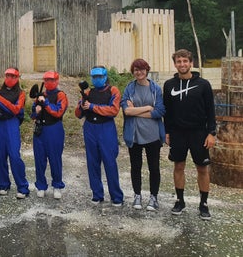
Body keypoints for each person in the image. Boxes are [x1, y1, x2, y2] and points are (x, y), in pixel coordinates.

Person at [163, 49, 216, 220]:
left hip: (199, 133)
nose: (182, 64)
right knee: (178, 166)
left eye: (185, 61)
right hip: (178, 133)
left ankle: (204, 204)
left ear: (191, 63)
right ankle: (180, 201)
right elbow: (167, 112)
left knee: (202, 168)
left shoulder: (203, 84)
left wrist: (211, 133)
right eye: (179, 61)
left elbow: (211, 111)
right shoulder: (169, 85)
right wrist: (167, 132)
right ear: (175, 64)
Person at [121, 59, 166, 211]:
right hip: (134, 134)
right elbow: (127, 111)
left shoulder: (155, 89)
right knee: (136, 166)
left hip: (153, 134)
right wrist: (147, 107)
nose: (139, 72)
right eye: (136, 70)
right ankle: (137, 195)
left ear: (147, 70)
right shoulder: (129, 88)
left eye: (141, 69)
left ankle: (154, 197)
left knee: (154, 167)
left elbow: (160, 111)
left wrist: (136, 111)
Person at [75, 65, 124, 206]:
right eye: (94, 77)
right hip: (90, 128)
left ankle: (116, 196)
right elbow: (78, 114)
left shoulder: (113, 90)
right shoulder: (88, 92)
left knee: (110, 162)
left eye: (99, 76)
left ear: (105, 77)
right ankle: (97, 194)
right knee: (92, 162)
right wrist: (81, 104)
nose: (97, 79)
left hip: (106, 128)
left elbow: (113, 110)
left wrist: (92, 107)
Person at [0, 67, 30, 199]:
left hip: (11, 124)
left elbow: (16, 110)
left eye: (13, 76)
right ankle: (3, 185)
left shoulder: (21, 93)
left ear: (17, 78)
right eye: (8, 76)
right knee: (0, 156)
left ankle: (23, 187)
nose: (10, 79)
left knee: (14, 156)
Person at [30, 71, 68, 199]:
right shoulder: (41, 95)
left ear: (57, 81)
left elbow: (58, 112)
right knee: (39, 159)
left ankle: (57, 185)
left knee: (55, 158)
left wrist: (45, 103)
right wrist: (36, 111)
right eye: (46, 80)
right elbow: (32, 115)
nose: (48, 82)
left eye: (51, 80)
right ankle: (41, 186)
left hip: (54, 129)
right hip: (40, 130)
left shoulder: (61, 95)